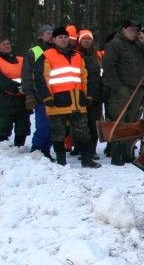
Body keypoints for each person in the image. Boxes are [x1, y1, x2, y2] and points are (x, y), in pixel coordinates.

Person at [30, 26, 99, 168]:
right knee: (58, 133)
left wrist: (88, 96)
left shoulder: (78, 56)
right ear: (54, 39)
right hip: (56, 102)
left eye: (65, 37)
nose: (63, 39)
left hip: (78, 101)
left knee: (83, 132)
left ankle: (87, 160)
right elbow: (40, 79)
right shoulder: (46, 56)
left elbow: (85, 78)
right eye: (60, 37)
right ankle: (61, 161)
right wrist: (46, 97)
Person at [103, 19, 144, 165]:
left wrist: (143, 43)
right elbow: (109, 66)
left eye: (136, 31)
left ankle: (127, 152)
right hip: (122, 88)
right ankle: (116, 154)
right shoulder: (114, 44)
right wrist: (117, 87)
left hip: (137, 88)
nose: (134, 33)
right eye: (131, 30)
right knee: (119, 121)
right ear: (123, 29)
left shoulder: (137, 45)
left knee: (131, 122)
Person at [0, 36, 30, 147]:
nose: (7, 46)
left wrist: (26, 87)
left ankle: (20, 148)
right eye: (4, 44)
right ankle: (3, 148)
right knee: (4, 125)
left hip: (21, 99)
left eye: (8, 43)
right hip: (3, 100)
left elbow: (28, 74)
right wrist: (17, 88)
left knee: (23, 125)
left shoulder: (21, 60)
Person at [22, 24, 55, 159]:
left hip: (55, 94)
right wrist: (29, 94)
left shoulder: (56, 51)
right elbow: (26, 74)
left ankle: (46, 150)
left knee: (53, 125)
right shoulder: (33, 52)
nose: (51, 35)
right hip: (39, 94)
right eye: (48, 33)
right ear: (40, 36)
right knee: (43, 124)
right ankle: (37, 149)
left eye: (52, 33)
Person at [76, 29, 105, 158]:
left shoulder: (97, 55)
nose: (87, 41)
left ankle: (92, 150)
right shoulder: (75, 55)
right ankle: (83, 150)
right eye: (84, 39)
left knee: (94, 124)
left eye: (89, 39)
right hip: (81, 94)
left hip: (96, 95)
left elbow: (102, 74)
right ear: (80, 41)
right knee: (82, 125)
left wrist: (103, 90)